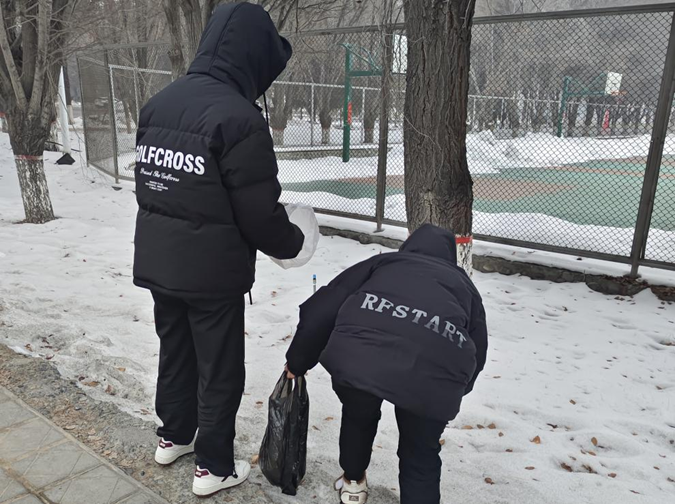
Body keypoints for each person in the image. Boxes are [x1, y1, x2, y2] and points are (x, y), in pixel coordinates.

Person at [133, 2, 304, 497]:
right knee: (219, 369)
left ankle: (173, 436)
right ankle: (213, 466)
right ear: (252, 56)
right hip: (211, 275)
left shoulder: (159, 104)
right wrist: (295, 241)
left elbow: (152, 188)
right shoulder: (239, 119)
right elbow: (259, 215)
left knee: (176, 352)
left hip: (160, 262)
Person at [285, 224, 488, 504]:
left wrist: (298, 361)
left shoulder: (384, 263)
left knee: (358, 416)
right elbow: (478, 352)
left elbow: (323, 308)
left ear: (409, 244)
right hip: (432, 376)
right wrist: (449, 389)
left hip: (360, 356)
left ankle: (353, 483)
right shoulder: (465, 287)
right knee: (420, 451)